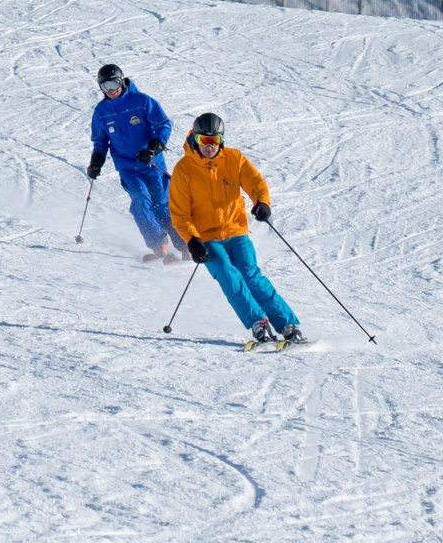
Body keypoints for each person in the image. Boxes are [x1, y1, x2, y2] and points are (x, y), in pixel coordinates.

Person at [167, 111, 304, 347]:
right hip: (206, 238)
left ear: (221, 140)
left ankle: (287, 325)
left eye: (214, 141)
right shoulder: (184, 169)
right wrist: (192, 240)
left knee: (251, 276)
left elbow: (255, 182)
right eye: (203, 141)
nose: (209, 147)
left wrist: (262, 203)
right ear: (195, 140)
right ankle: (258, 323)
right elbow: (179, 213)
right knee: (227, 273)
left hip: (236, 232)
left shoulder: (234, 159)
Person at [86, 62, 178, 262]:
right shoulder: (101, 112)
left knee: (162, 202)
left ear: (122, 81)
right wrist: (96, 161)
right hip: (128, 167)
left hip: (152, 164)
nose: (111, 90)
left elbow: (163, 125)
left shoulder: (142, 101)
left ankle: (185, 245)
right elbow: (101, 140)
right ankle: (159, 245)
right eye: (105, 86)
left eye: (114, 84)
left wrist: (153, 148)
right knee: (140, 200)